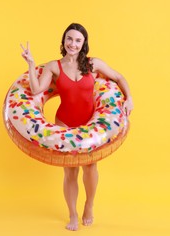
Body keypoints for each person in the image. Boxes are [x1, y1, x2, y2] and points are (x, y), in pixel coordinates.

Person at [20, 23, 133, 231]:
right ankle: (72, 214)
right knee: (70, 172)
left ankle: (89, 205)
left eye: (78, 40)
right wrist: (31, 63)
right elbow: (36, 90)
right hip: (64, 122)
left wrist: (129, 98)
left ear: (83, 44)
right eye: (69, 39)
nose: (73, 43)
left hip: (90, 122)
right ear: (64, 41)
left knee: (90, 167)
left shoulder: (93, 64)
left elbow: (118, 77)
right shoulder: (54, 67)